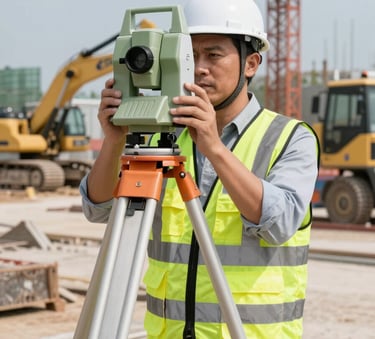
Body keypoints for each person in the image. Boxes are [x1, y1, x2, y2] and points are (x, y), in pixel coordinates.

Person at [79, 0, 319, 337]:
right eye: (190, 54)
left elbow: (278, 223)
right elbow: (98, 208)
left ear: (251, 63)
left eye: (214, 55)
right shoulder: (162, 140)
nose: (199, 67)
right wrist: (113, 141)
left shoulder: (290, 139)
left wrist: (214, 147)